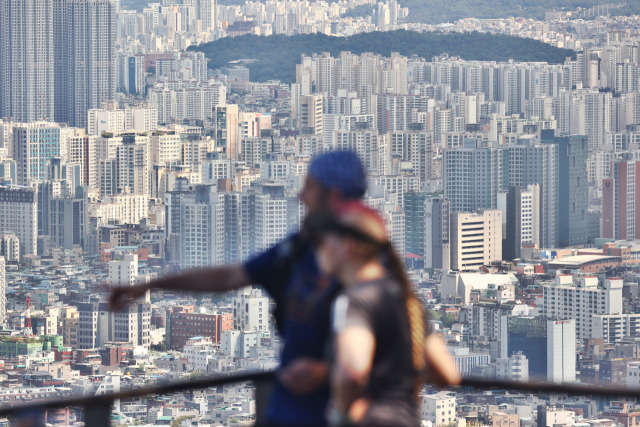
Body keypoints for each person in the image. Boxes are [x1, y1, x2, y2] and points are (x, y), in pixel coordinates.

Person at [109, 150, 368, 427]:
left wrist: (327, 371)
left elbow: (394, 350)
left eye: (310, 187)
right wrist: (151, 285)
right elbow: (228, 277)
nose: (300, 196)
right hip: (287, 411)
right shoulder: (298, 250)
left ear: (333, 195)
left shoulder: (370, 265)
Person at [305, 201, 461, 427]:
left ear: (347, 246)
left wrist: (340, 414)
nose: (317, 250)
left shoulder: (354, 301)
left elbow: (353, 372)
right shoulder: (406, 298)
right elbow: (448, 375)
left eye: (321, 242)